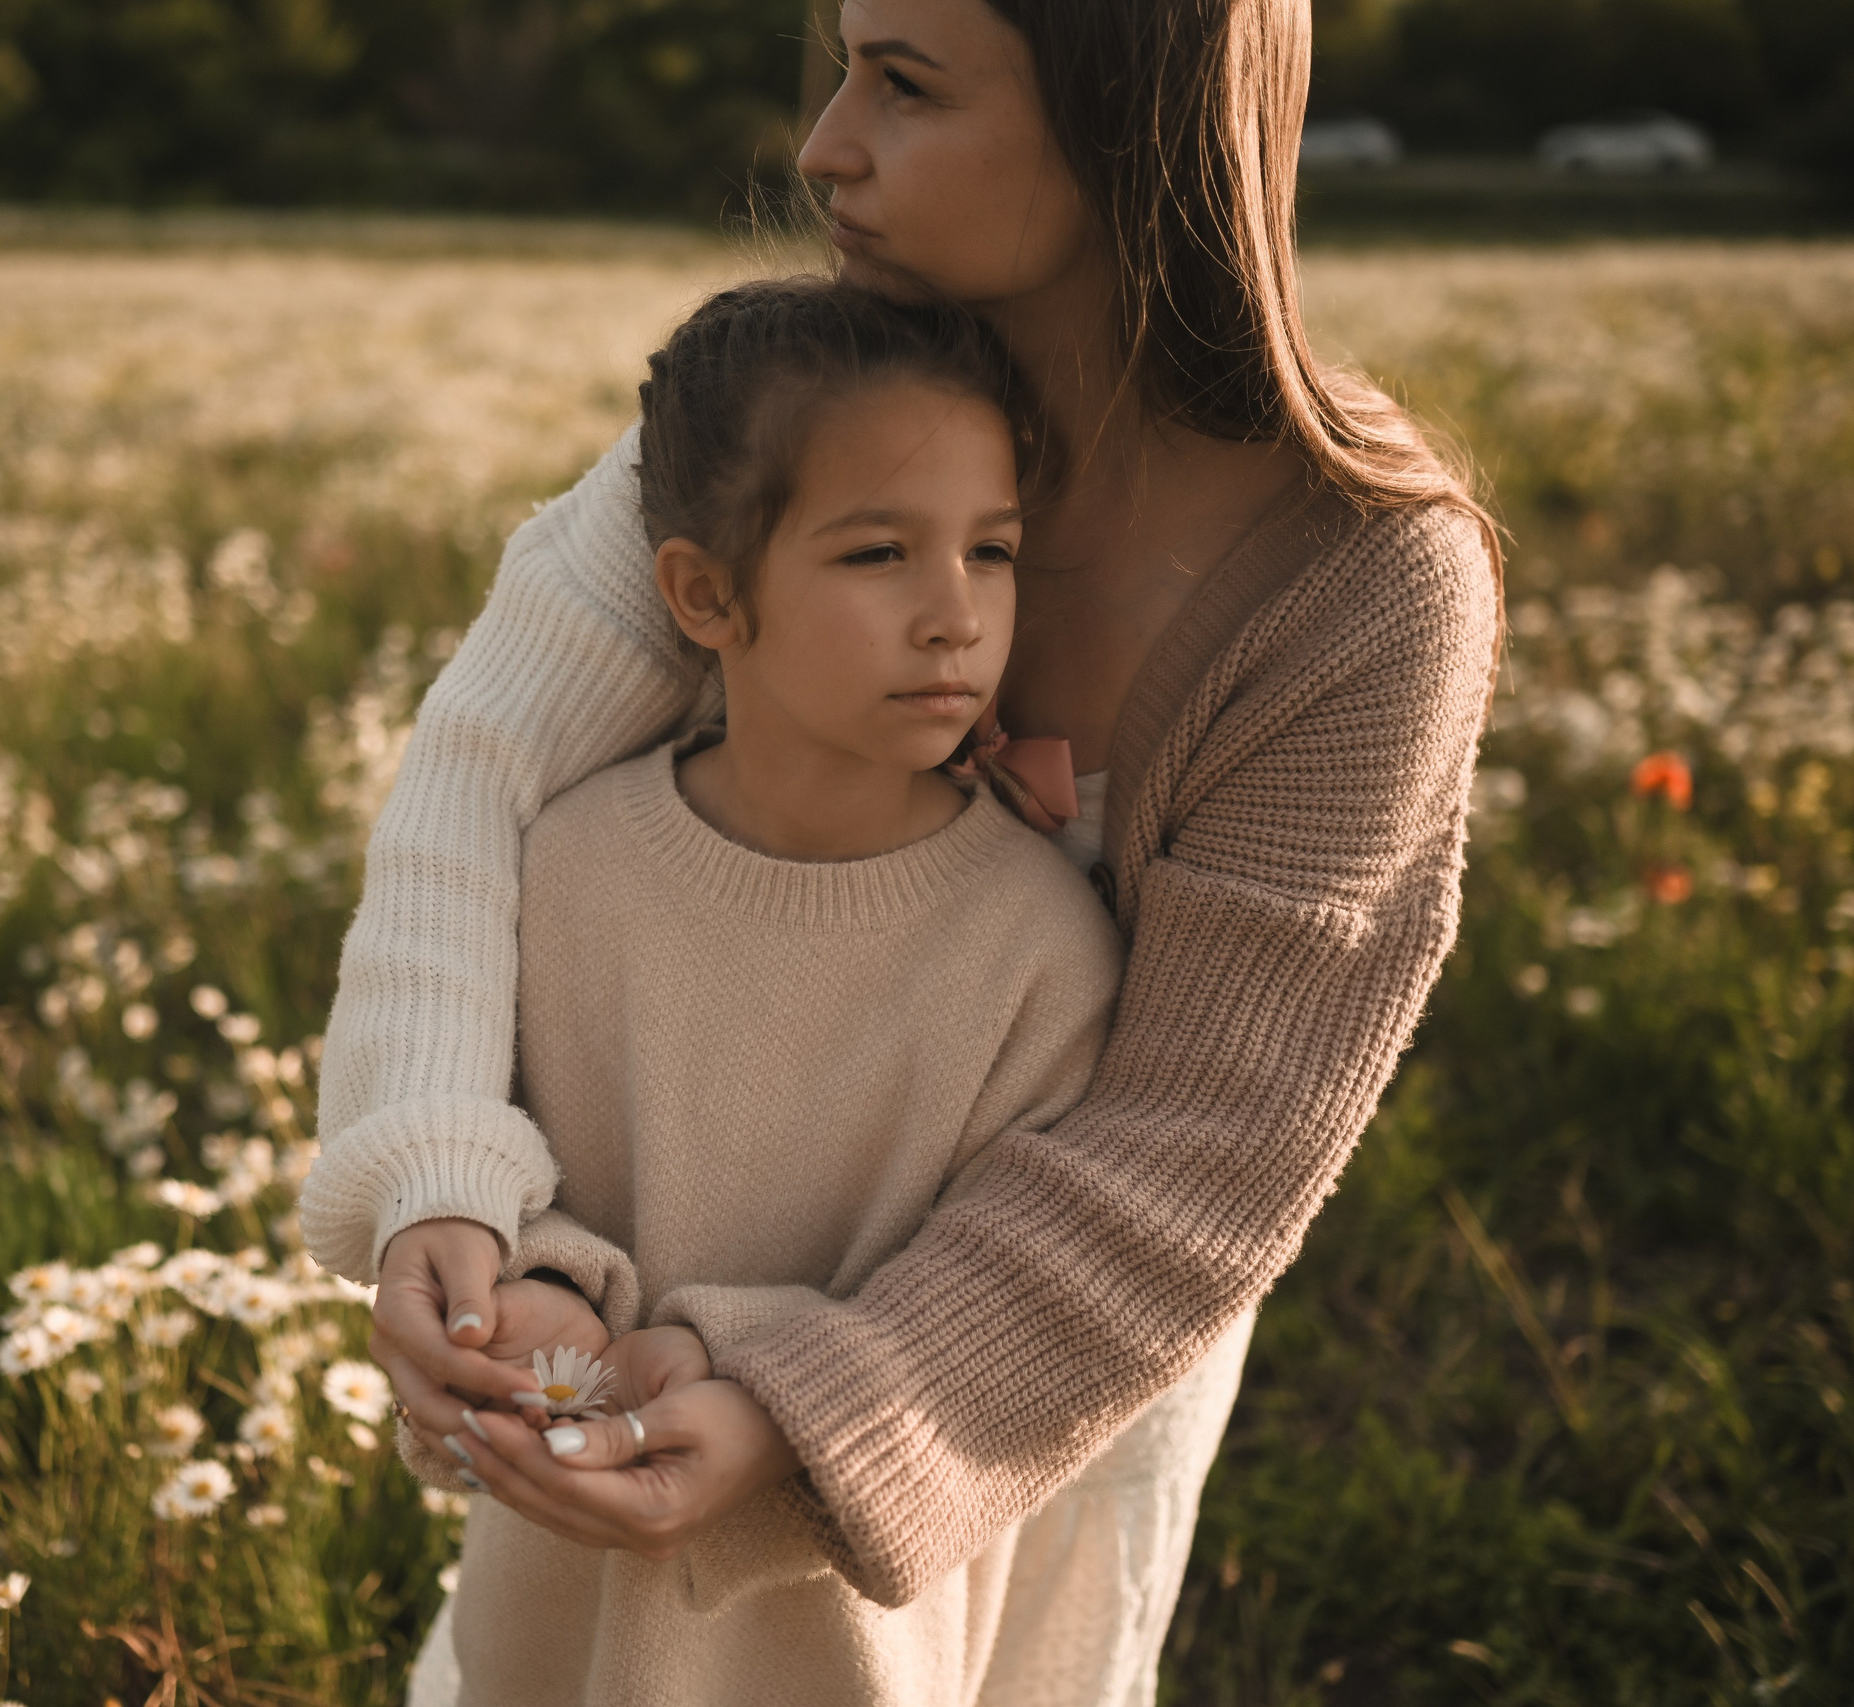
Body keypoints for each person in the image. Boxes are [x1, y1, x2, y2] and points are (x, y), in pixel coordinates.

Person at [298, 0, 1500, 1700]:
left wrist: (810, 1412)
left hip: (1030, 1362)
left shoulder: (1364, 589)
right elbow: (480, 774)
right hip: (649, 1254)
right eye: (843, 63)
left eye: (909, 84)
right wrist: (436, 1174)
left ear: (1131, 127)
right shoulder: (803, 418)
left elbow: (1203, 1144)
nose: (824, 146)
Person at [393, 273, 1128, 1704]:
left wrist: (726, 1352)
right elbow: (515, 1161)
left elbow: (994, 1314)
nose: (955, 617)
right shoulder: (572, 872)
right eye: (878, 556)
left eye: (992, 551)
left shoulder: (1042, 953)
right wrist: (535, 1286)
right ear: (706, 593)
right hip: (553, 1624)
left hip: (836, 1650)